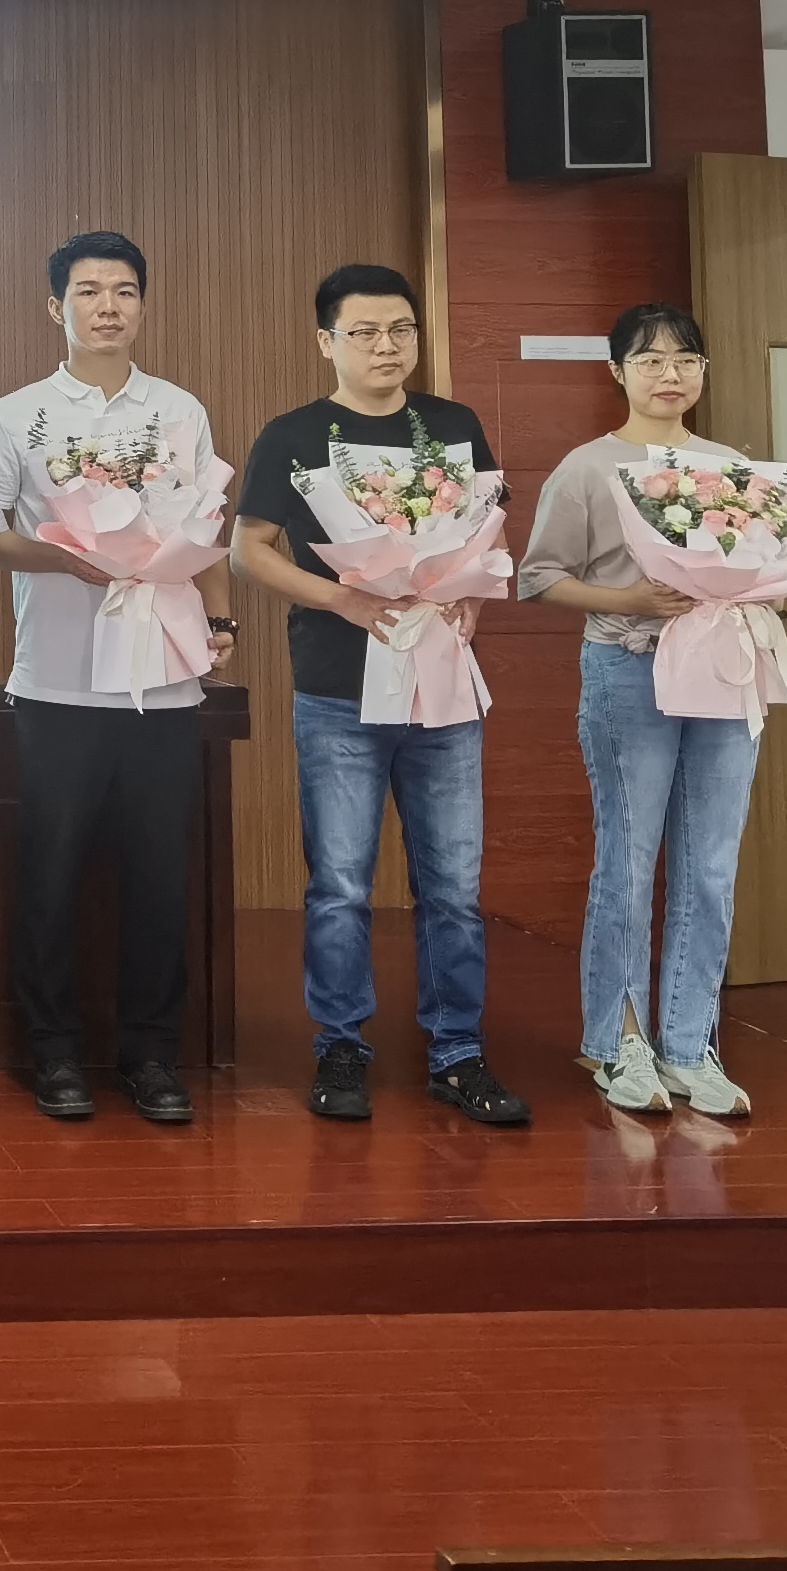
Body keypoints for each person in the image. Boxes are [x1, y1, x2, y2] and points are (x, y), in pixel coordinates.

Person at [232, 264, 532, 1129]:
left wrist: (472, 596)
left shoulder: (453, 425)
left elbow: (483, 535)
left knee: (454, 886)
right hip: (339, 690)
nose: (386, 346)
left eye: (400, 329)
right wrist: (344, 600)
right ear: (326, 341)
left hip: (442, 687)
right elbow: (248, 550)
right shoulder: (294, 434)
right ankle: (341, 1047)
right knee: (340, 885)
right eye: (364, 332)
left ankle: (457, 1052)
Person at [0, 232, 235, 1129]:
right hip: (58, 683)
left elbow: (207, 530)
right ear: (57, 307)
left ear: (143, 305)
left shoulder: (180, 410)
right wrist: (59, 555)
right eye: (88, 291)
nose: (107, 306)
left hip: (163, 681)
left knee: (161, 877)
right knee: (51, 875)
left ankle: (152, 1055)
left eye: (123, 290)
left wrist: (222, 624)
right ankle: (54, 1052)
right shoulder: (16, 415)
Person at [517, 303, 771, 1121]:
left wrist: (763, 590)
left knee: (711, 863)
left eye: (686, 359)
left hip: (723, 671)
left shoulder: (730, 466)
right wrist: (630, 599)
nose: (671, 374)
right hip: (629, 668)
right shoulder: (588, 467)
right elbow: (538, 578)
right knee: (628, 859)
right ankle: (617, 1041)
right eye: (651, 359)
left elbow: (763, 564)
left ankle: (690, 1045)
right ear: (617, 372)